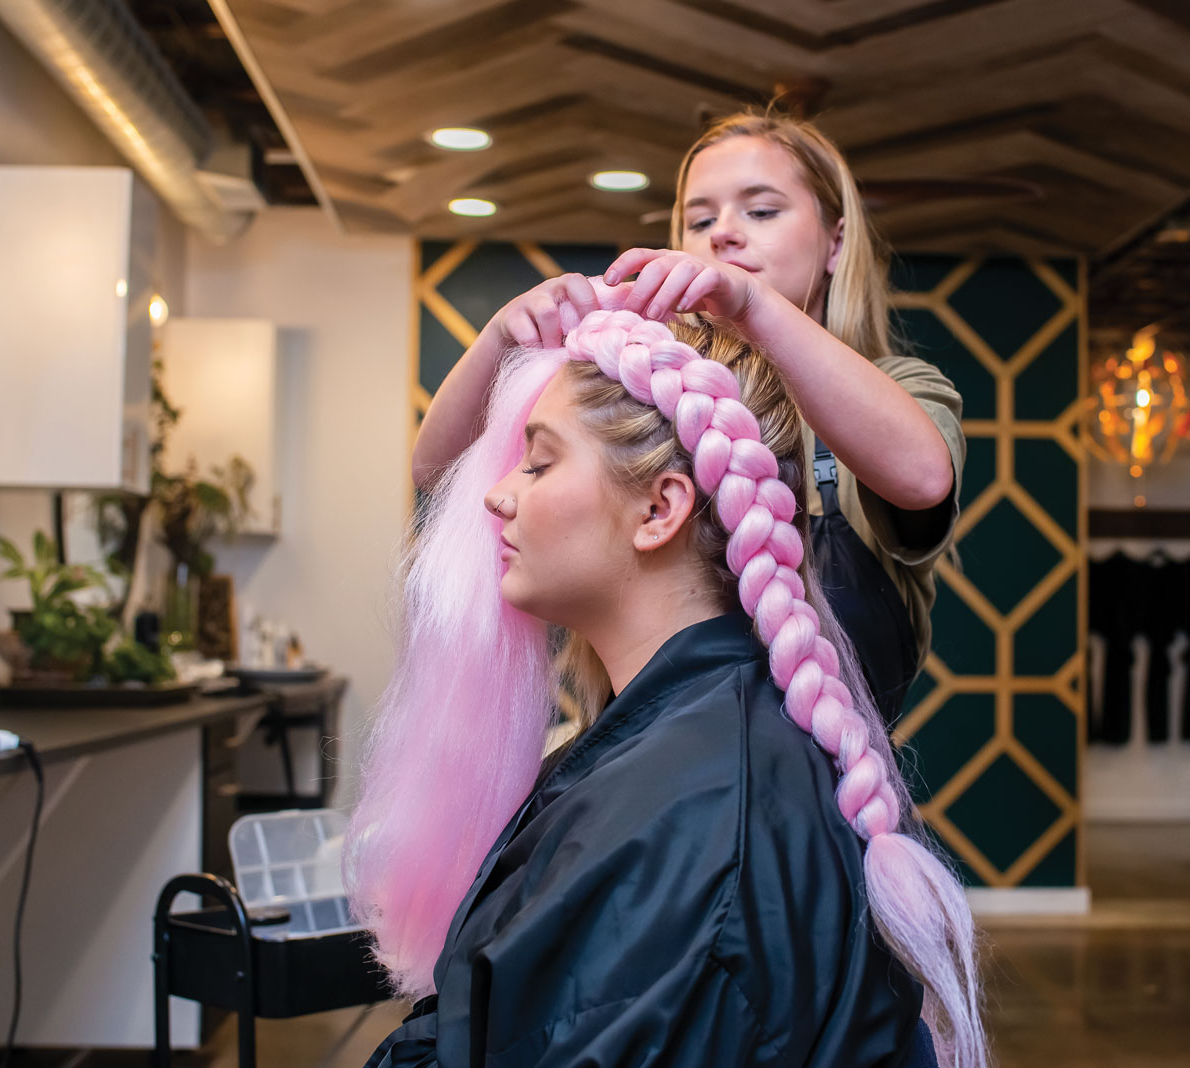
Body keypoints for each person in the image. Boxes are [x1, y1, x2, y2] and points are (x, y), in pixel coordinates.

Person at [350, 309, 987, 1067]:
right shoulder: (677, 757)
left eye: (539, 461)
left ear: (660, 509)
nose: (496, 497)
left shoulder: (692, 816)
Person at [413, 111, 965, 726]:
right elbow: (438, 472)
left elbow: (921, 478)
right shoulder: (642, 381)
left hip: (815, 793)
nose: (724, 234)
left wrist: (755, 306)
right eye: (700, 220)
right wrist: (501, 338)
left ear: (836, 242)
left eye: (760, 211)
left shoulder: (898, 388)